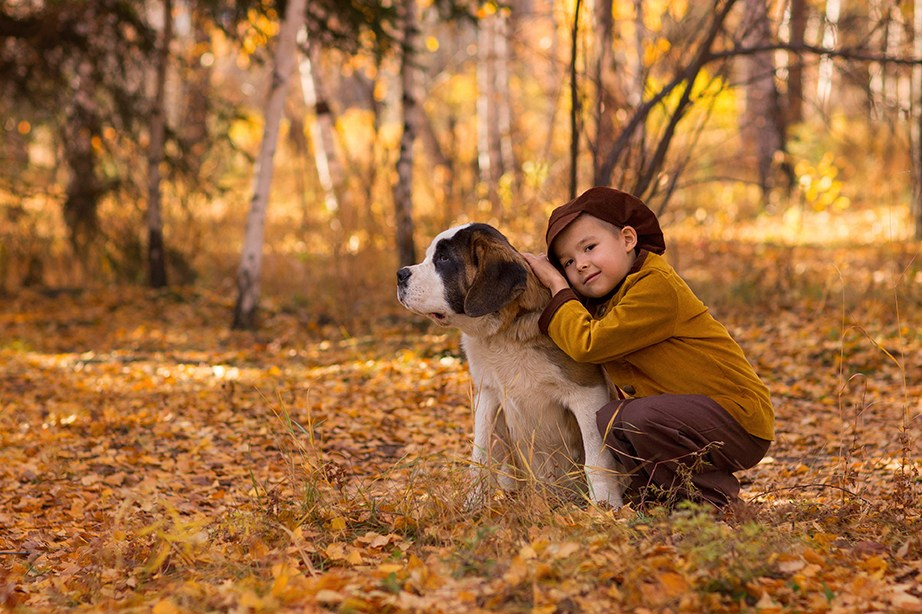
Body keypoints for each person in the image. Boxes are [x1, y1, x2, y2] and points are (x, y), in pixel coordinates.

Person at [522, 186, 774, 510]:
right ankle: (657, 499)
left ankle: (713, 504)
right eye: (568, 262)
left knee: (637, 417)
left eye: (589, 247)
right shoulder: (610, 298)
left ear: (628, 239)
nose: (581, 264)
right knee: (612, 418)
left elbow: (588, 344)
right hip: (692, 420)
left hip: (739, 418)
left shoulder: (655, 286)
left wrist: (557, 286)